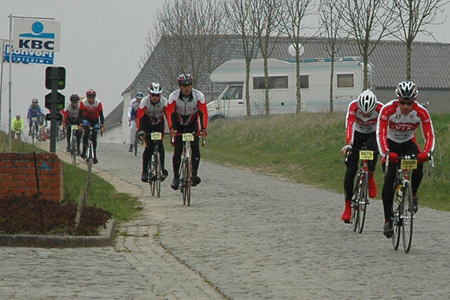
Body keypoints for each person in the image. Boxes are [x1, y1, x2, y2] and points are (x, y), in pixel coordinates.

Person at [377, 81, 435, 238]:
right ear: (398, 100)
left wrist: (427, 152)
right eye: (402, 102)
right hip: (390, 143)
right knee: (389, 181)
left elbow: (429, 135)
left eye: (409, 103)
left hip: (408, 143)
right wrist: (386, 153)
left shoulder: (421, 112)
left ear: (414, 101)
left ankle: (413, 194)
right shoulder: (387, 109)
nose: (405, 107)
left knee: (419, 166)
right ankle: (387, 220)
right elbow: (380, 134)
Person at [341, 90, 383, 223]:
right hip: (357, 134)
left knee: (373, 148)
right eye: (363, 113)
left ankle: (370, 176)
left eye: (369, 113)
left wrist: (383, 148)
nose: (365, 116)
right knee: (350, 172)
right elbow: (350, 124)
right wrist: (349, 143)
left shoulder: (380, 108)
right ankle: (348, 207)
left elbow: (383, 129)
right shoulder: (353, 106)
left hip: (372, 133)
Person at [166, 74, 208, 190]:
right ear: (180, 86)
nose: (186, 88)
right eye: (184, 86)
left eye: (189, 85)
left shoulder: (198, 96)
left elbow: (203, 113)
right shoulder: (173, 96)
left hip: (191, 123)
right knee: (178, 150)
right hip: (178, 123)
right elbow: (169, 113)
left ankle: (193, 174)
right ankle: (175, 177)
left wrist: (203, 128)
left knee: (195, 147)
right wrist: (171, 129)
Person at [136, 83, 169, 182]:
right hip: (147, 123)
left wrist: (172, 129)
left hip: (159, 122)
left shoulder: (164, 101)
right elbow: (139, 118)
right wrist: (140, 131)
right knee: (149, 146)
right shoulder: (144, 101)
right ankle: (144, 171)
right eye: (153, 95)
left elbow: (169, 116)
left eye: (157, 95)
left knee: (160, 145)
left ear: (160, 95)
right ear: (150, 94)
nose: (155, 97)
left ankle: (162, 169)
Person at [78, 89, 105, 164]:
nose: (91, 99)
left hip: (95, 120)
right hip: (86, 119)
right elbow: (80, 115)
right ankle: (83, 151)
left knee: (94, 136)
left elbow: (101, 115)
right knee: (86, 132)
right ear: (87, 97)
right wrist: (80, 123)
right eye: (89, 97)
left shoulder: (98, 103)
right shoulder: (83, 102)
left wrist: (102, 124)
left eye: (93, 97)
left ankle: (94, 155)